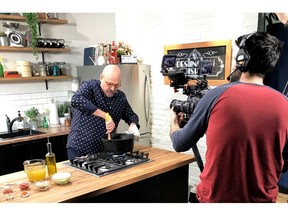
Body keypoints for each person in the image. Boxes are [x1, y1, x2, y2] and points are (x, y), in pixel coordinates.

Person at [169, 31, 288, 202]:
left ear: (242, 59)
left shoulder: (216, 95)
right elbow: (284, 165)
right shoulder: (285, 104)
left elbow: (180, 143)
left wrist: (174, 124)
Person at [66, 65, 140, 160]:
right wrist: (105, 116)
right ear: (101, 78)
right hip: (80, 149)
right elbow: (76, 100)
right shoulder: (90, 86)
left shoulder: (120, 97)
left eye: (116, 85)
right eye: (109, 84)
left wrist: (133, 125)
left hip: (105, 151)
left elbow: (131, 115)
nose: (113, 89)